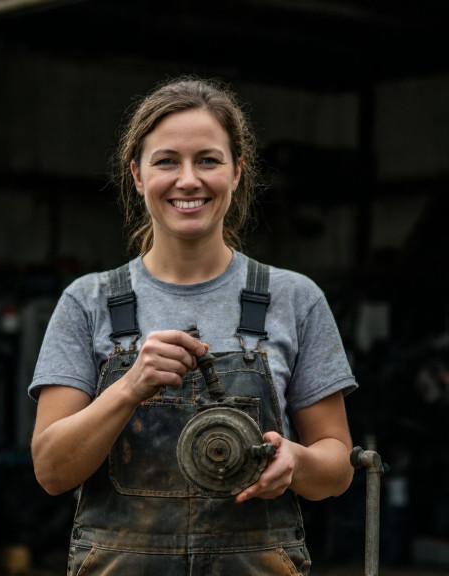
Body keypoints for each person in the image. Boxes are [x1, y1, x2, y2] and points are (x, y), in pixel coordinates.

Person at [29, 75, 357, 575]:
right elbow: (52, 471)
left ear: (237, 172)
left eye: (208, 159)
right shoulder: (88, 302)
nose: (188, 180)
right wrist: (129, 387)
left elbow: (337, 468)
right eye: (167, 161)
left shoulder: (295, 299)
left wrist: (298, 462)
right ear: (137, 175)